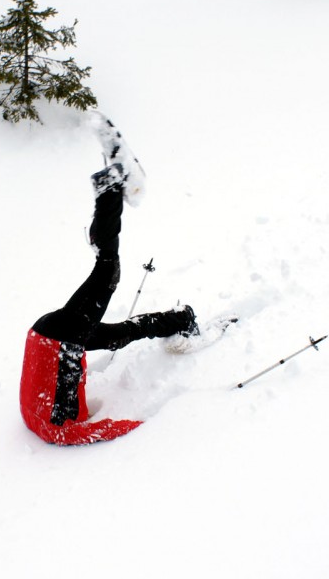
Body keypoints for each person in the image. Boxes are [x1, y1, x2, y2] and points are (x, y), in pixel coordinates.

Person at [19, 160, 199, 446]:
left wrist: (142, 427)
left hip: (61, 340)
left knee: (108, 269)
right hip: (45, 337)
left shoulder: (59, 430)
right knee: (119, 335)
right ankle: (181, 319)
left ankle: (110, 188)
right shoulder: (35, 421)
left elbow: (95, 432)